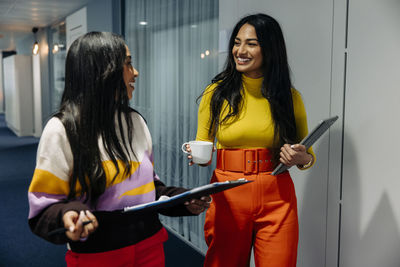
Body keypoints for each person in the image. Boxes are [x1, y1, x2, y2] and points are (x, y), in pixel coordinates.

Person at [28, 32, 210, 267]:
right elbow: (44, 207)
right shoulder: (62, 129)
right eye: (127, 63)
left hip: (151, 246)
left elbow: (150, 190)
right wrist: (69, 216)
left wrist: (182, 200)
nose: (135, 72)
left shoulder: (136, 121)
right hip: (98, 256)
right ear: (102, 71)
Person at [187, 14, 316, 266]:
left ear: (270, 49)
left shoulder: (289, 97)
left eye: (251, 44)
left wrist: (302, 157)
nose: (240, 50)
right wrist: (197, 156)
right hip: (227, 193)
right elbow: (203, 149)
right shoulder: (216, 93)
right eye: (237, 42)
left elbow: (307, 154)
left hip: (277, 196)